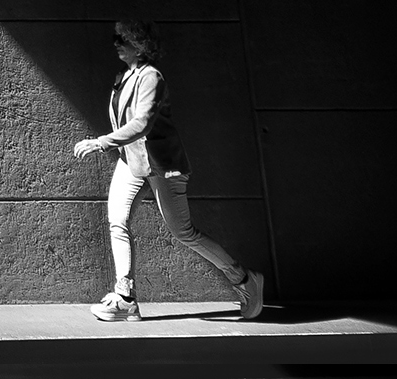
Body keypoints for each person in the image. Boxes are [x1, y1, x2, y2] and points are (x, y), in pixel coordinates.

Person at [69, 19, 265, 323]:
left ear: (140, 45)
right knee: (117, 221)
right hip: (132, 162)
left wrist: (101, 142)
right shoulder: (124, 77)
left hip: (161, 165)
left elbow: (142, 123)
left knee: (183, 232)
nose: (116, 43)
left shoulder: (151, 77)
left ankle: (244, 279)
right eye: (116, 38)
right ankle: (125, 298)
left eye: (124, 39)